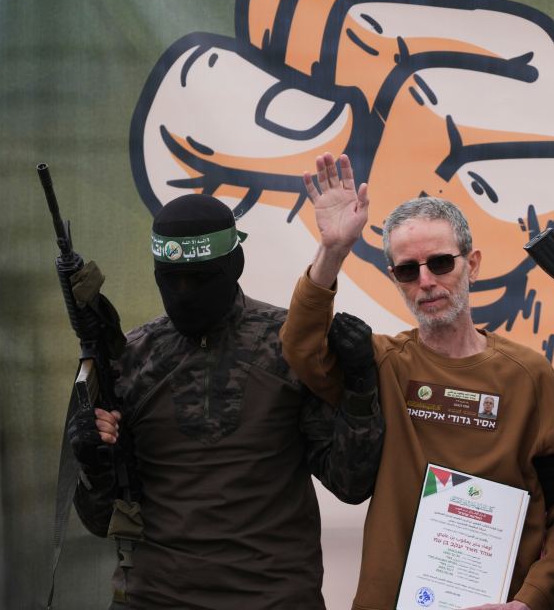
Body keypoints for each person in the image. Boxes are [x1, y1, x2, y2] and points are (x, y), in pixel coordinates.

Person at [279, 152, 554, 610]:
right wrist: (332, 250)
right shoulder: (383, 364)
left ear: (473, 263)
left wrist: (530, 601)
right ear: (396, 279)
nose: (426, 281)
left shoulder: (528, 376)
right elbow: (301, 349)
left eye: (441, 263)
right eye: (408, 270)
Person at [68, 193, 384, 609]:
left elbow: (350, 484)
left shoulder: (289, 347)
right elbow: (100, 520)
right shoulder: (129, 360)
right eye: (170, 278)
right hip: (154, 597)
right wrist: (91, 463)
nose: (183, 294)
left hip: (275, 598)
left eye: (200, 278)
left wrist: (361, 387)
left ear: (235, 266)